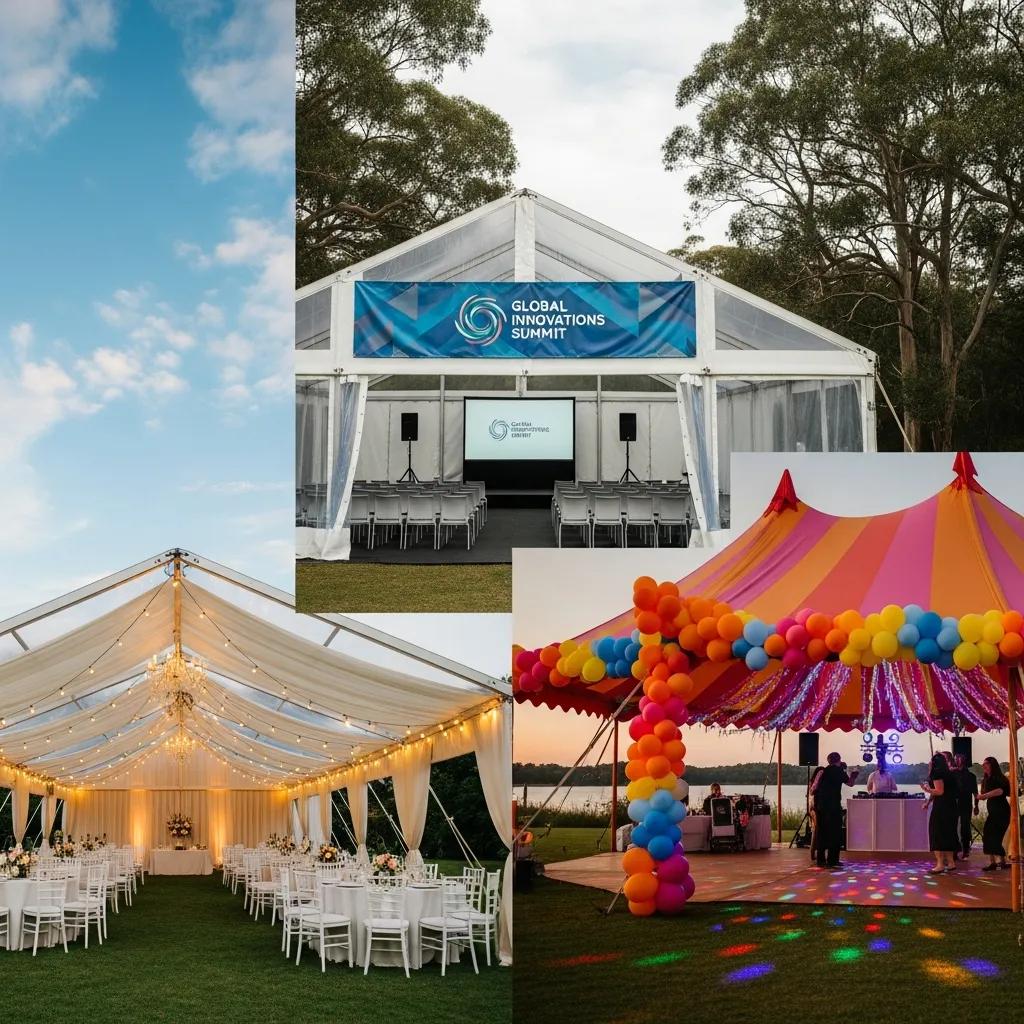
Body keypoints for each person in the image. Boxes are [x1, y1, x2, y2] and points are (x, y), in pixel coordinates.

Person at [811, 753, 860, 868]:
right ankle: (832, 861)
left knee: (822, 833)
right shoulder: (839, 771)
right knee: (835, 834)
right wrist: (854, 775)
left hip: (821, 807)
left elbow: (813, 789)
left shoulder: (823, 771)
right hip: (833, 807)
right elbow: (850, 783)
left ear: (828, 761)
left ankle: (821, 860)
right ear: (839, 760)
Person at [921, 752, 959, 873]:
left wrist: (927, 789)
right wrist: (928, 801)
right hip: (952, 806)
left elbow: (939, 791)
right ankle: (951, 862)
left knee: (936, 833)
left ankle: (940, 864)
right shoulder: (950, 774)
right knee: (949, 833)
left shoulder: (937, 773)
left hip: (942, 807)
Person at [978, 756, 1011, 871]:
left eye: (986, 764)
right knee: (988, 834)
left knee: (994, 835)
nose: (983, 766)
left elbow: (1000, 791)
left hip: (1002, 810)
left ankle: (1000, 861)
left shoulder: (999, 778)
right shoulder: (986, 779)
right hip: (993, 810)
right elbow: (983, 793)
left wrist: (984, 796)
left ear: (992, 765)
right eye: (983, 764)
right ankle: (995, 862)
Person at [952, 753, 978, 860]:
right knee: (953, 827)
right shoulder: (952, 774)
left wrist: (976, 806)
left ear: (963, 760)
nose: (957, 760)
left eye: (959, 759)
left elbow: (975, 792)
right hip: (954, 803)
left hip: (966, 803)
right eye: (956, 759)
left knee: (965, 827)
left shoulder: (971, 776)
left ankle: (966, 850)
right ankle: (954, 851)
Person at [807, 766, 825, 864]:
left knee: (816, 830)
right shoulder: (815, 783)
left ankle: (814, 852)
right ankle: (813, 852)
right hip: (814, 808)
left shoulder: (815, 782)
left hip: (814, 807)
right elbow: (812, 792)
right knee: (816, 830)